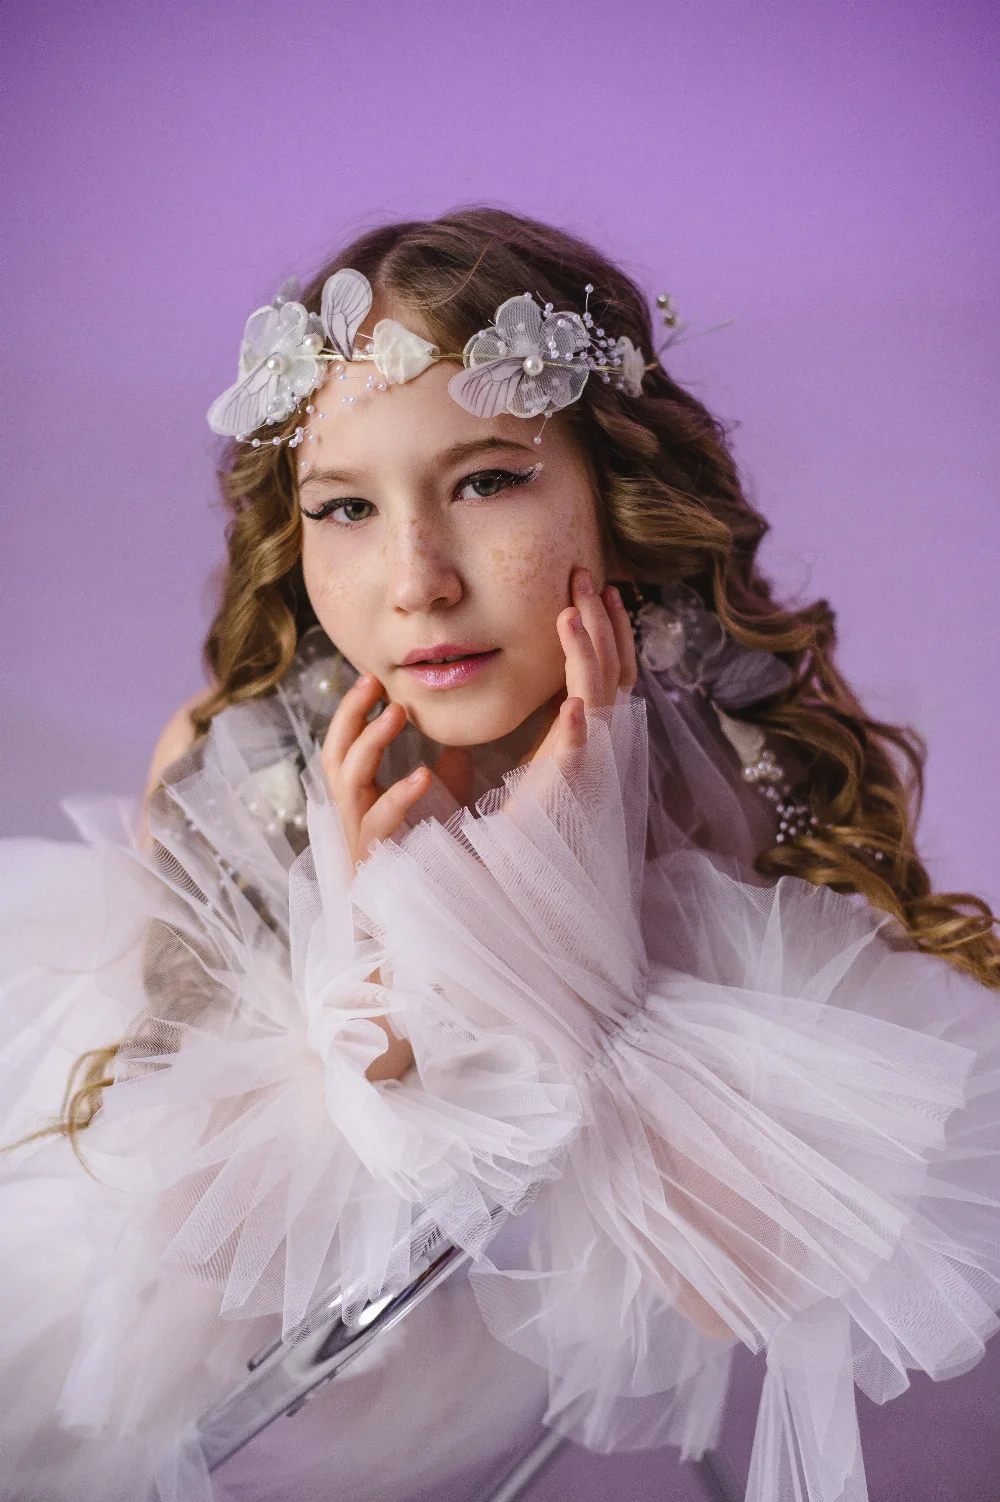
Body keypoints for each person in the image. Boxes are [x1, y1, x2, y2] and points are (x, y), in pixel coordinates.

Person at [2, 207, 998, 1502]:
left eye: (485, 481)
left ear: (614, 491)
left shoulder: (715, 727)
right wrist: (382, 934)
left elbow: (734, 1282)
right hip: (280, 1340)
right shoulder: (249, 772)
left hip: (532, 1340)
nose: (417, 579)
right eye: (345, 507)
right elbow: (212, 1259)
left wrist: (569, 898)